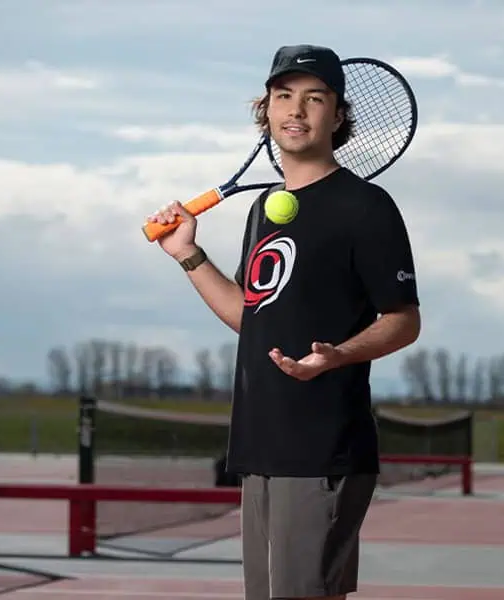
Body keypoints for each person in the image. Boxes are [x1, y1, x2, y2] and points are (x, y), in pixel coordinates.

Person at [146, 44, 421, 600]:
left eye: (315, 98)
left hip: (322, 447)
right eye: (283, 97)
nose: (296, 110)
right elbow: (251, 317)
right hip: (260, 446)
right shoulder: (263, 209)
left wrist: (339, 354)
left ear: (338, 116)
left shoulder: (366, 207)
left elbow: (404, 320)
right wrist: (188, 256)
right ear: (266, 112)